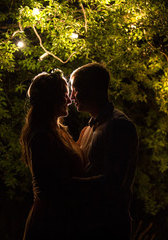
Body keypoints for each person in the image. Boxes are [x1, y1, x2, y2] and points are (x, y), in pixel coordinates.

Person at [70, 62, 138, 240]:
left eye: (75, 89)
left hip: (108, 226)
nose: (71, 97)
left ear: (94, 89)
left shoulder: (119, 125)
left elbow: (113, 181)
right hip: (88, 224)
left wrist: (67, 184)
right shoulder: (90, 127)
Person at [20, 70, 86, 240]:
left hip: (63, 219)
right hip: (50, 224)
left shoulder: (58, 131)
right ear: (51, 99)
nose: (70, 100)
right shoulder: (41, 136)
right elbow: (52, 189)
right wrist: (99, 183)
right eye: (65, 94)